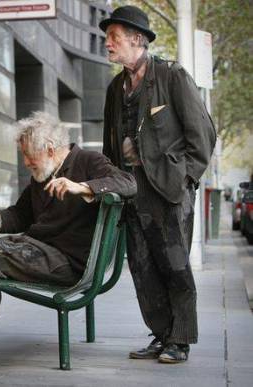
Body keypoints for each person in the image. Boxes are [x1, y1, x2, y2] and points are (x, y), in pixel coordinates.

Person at [0, 111, 136, 363]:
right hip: (38, 252)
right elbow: (21, 214)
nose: (25, 161)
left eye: (27, 154)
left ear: (49, 148)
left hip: (68, 262)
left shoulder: (88, 161)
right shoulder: (43, 175)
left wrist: (82, 187)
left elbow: (128, 183)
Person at [99, 6, 216, 363]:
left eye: (113, 37)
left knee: (175, 266)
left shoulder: (172, 76)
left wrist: (187, 180)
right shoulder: (115, 89)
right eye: (108, 38)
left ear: (137, 40)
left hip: (169, 190)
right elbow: (108, 146)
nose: (107, 43)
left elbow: (204, 135)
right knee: (142, 267)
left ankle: (179, 341)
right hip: (133, 192)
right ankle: (162, 335)